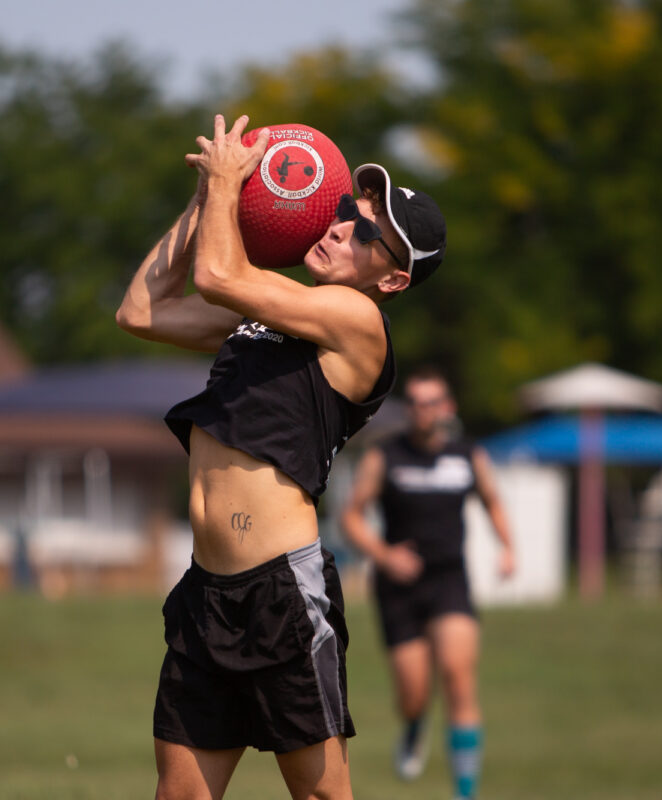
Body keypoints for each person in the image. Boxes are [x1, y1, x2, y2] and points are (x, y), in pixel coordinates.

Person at [115, 113, 446, 800]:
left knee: (323, 795)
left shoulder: (359, 323)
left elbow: (215, 272)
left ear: (391, 280)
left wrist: (230, 187)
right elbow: (142, 312)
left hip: (280, 596)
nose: (337, 228)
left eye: (365, 234)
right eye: (344, 213)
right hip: (208, 591)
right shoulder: (261, 320)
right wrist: (203, 200)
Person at [340, 366, 516, 800]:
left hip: (449, 580)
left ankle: (465, 792)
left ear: (448, 407)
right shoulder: (386, 455)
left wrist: (508, 547)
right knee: (413, 695)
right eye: (417, 403)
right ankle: (415, 724)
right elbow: (350, 516)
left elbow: (493, 501)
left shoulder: (468, 455)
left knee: (458, 676)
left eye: (433, 402)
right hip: (398, 588)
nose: (425, 411)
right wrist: (384, 555)